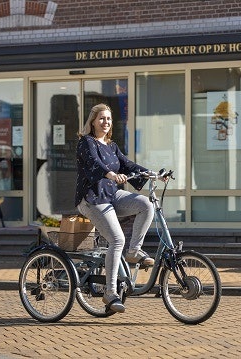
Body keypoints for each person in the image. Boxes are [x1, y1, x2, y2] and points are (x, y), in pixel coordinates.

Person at [75, 103, 158, 314]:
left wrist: (151, 173)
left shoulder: (111, 145)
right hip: (92, 198)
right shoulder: (86, 142)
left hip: (111, 196)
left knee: (145, 205)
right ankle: (110, 292)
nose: (106, 122)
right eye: (102, 118)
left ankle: (134, 251)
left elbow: (126, 164)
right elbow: (94, 164)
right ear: (93, 121)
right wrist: (110, 174)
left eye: (109, 119)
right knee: (117, 239)